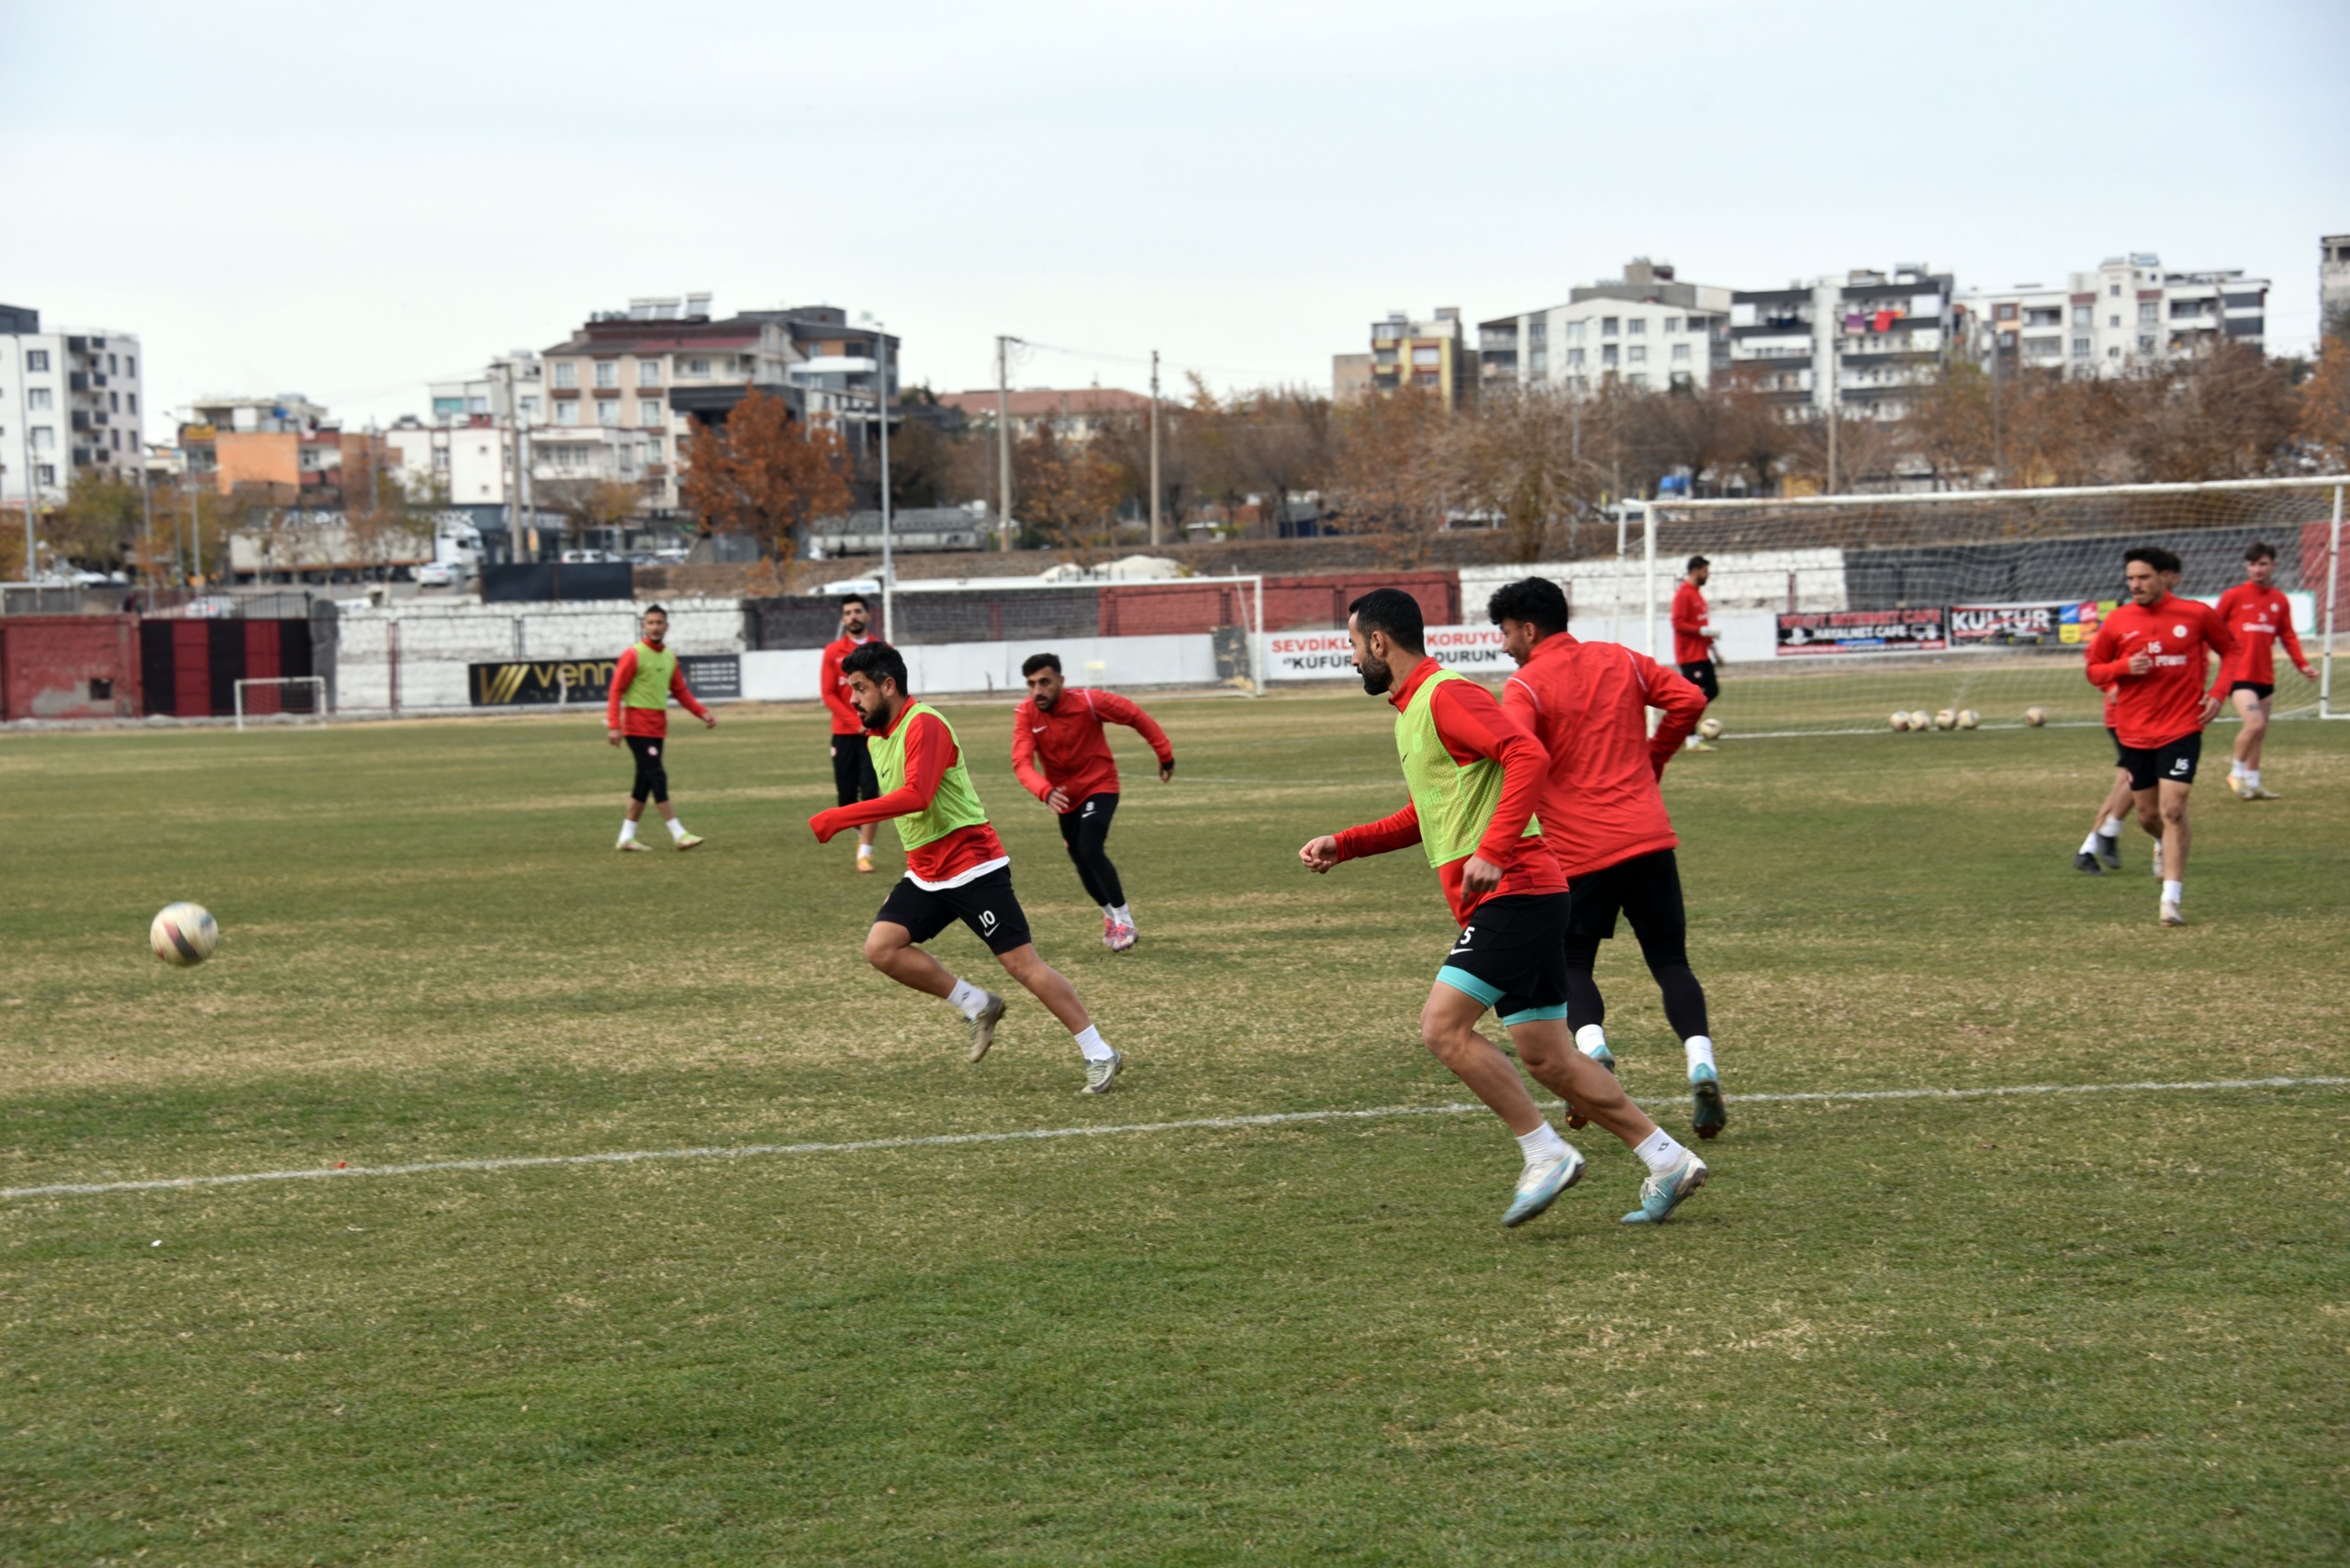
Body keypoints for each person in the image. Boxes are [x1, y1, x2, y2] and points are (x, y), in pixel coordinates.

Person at [1298, 588, 1709, 1228]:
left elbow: (1527, 754)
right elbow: (1428, 815)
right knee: (1548, 1057)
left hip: (1517, 889)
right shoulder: (1412, 711)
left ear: (1379, 642)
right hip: (1523, 895)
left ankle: (1544, 1152)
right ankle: (1667, 1159)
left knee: (1443, 1029)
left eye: (1354, 645)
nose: (1353, 659)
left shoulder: (1447, 695)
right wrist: (1344, 844)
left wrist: (1493, 850)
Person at [808, 643, 1124, 1093]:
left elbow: (917, 795)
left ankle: (1100, 1052)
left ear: (888, 685)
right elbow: (916, 814)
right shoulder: (877, 734)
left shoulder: (926, 725)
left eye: (859, 689)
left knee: (1023, 965)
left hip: (973, 865)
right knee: (882, 949)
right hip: (927, 871)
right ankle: (977, 1004)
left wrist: (840, 817)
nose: (852, 700)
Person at [1487, 576, 1726, 1138]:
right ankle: (1701, 1064)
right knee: (1671, 962)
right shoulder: (1621, 659)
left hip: (1579, 852)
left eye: (1504, 633)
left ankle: (1593, 1053)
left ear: (1527, 628)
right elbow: (1690, 699)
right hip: (1648, 839)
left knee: (1573, 964)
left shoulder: (1524, 687)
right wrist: (1653, 760)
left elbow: (1519, 758)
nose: (1502, 645)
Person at [2084, 546, 2237, 927]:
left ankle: (2171, 899)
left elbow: (2231, 651)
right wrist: (2123, 667)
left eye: (2143, 577)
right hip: (2134, 731)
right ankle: (2159, 843)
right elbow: (2093, 670)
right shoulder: (2118, 621)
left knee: (2174, 808)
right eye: (2130, 578)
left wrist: (2218, 694)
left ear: (2163, 578)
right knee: (2150, 816)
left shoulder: (2196, 614)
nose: (2135, 584)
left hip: (2182, 726)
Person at [1012, 653, 1176, 951]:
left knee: (1090, 847)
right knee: (1078, 856)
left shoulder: (1089, 701)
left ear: (1060, 681)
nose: (1038, 690)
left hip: (1100, 785)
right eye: (1032, 684)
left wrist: (1164, 754)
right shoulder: (1025, 714)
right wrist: (1044, 790)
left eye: (1045, 682)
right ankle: (1110, 918)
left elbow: (1135, 716)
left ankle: (1125, 920)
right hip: (1064, 796)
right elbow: (1021, 763)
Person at [605, 604, 714, 852]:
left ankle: (626, 837)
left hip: (657, 729)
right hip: (636, 728)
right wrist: (614, 725)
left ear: (666, 626)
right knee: (657, 776)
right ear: (644, 626)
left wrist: (702, 713)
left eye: (659, 623)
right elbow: (615, 690)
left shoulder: (669, 657)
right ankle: (679, 833)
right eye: (650, 623)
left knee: (643, 783)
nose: (655, 627)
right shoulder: (633, 654)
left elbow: (680, 691)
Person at [2214, 542, 2315, 801]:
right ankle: (2235, 772)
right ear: (2246, 567)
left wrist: (2302, 665)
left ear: (2273, 565)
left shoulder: (2279, 600)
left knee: (2260, 732)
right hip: (2239, 675)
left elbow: (2288, 636)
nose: (2256, 569)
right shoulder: (2233, 596)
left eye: (2262, 564)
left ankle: (2253, 782)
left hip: (2264, 676)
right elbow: (2211, 626)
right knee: (2254, 723)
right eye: (2252, 564)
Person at [819, 594, 886, 873]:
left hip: (874, 734)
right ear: (843, 618)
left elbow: (889, 690)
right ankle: (864, 837)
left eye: (858, 611)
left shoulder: (882, 651)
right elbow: (828, 694)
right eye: (848, 613)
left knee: (871, 792)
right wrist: (853, 721)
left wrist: (872, 723)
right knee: (846, 798)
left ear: (868, 615)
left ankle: (864, 853)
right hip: (844, 733)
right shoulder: (833, 652)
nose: (853, 616)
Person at [1671, 554, 1720, 751]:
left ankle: (1685, 721)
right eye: (1705, 571)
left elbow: (1702, 625)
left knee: (1712, 690)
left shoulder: (1698, 594)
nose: (1707, 574)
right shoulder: (1683, 594)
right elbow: (1678, 623)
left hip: (1702, 653)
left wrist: (1713, 647)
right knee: (1693, 698)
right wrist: (1700, 631)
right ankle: (1690, 738)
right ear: (1695, 571)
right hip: (1689, 656)